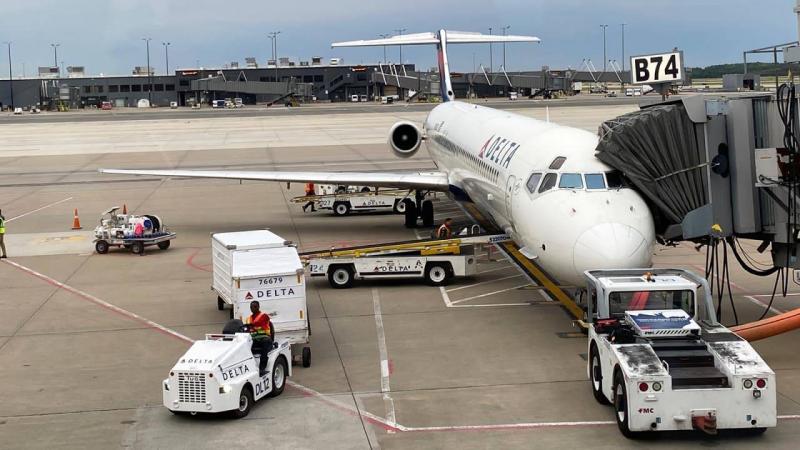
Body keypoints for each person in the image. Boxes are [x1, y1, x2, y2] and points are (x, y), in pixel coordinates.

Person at [246, 301, 273, 376]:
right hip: (253, 339)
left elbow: (259, 323)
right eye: (251, 307)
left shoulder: (264, 316)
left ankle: (262, 369)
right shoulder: (248, 319)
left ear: (258, 307)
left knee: (265, 344)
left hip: (264, 337)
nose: (253, 308)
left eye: (255, 307)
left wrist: (250, 325)